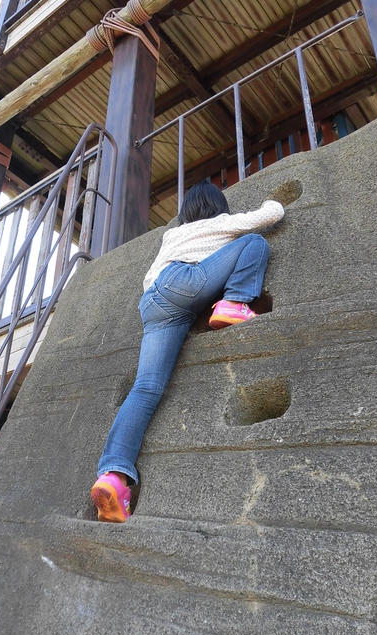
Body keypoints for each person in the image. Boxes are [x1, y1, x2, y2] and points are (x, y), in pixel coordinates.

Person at [90, 182, 285, 522]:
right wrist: (273, 197)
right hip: (185, 282)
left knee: (145, 389)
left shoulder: (172, 236)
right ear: (215, 207)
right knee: (254, 242)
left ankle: (113, 477)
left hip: (153, 304)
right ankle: (234, 303)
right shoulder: (217, 223)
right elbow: (271, 215)